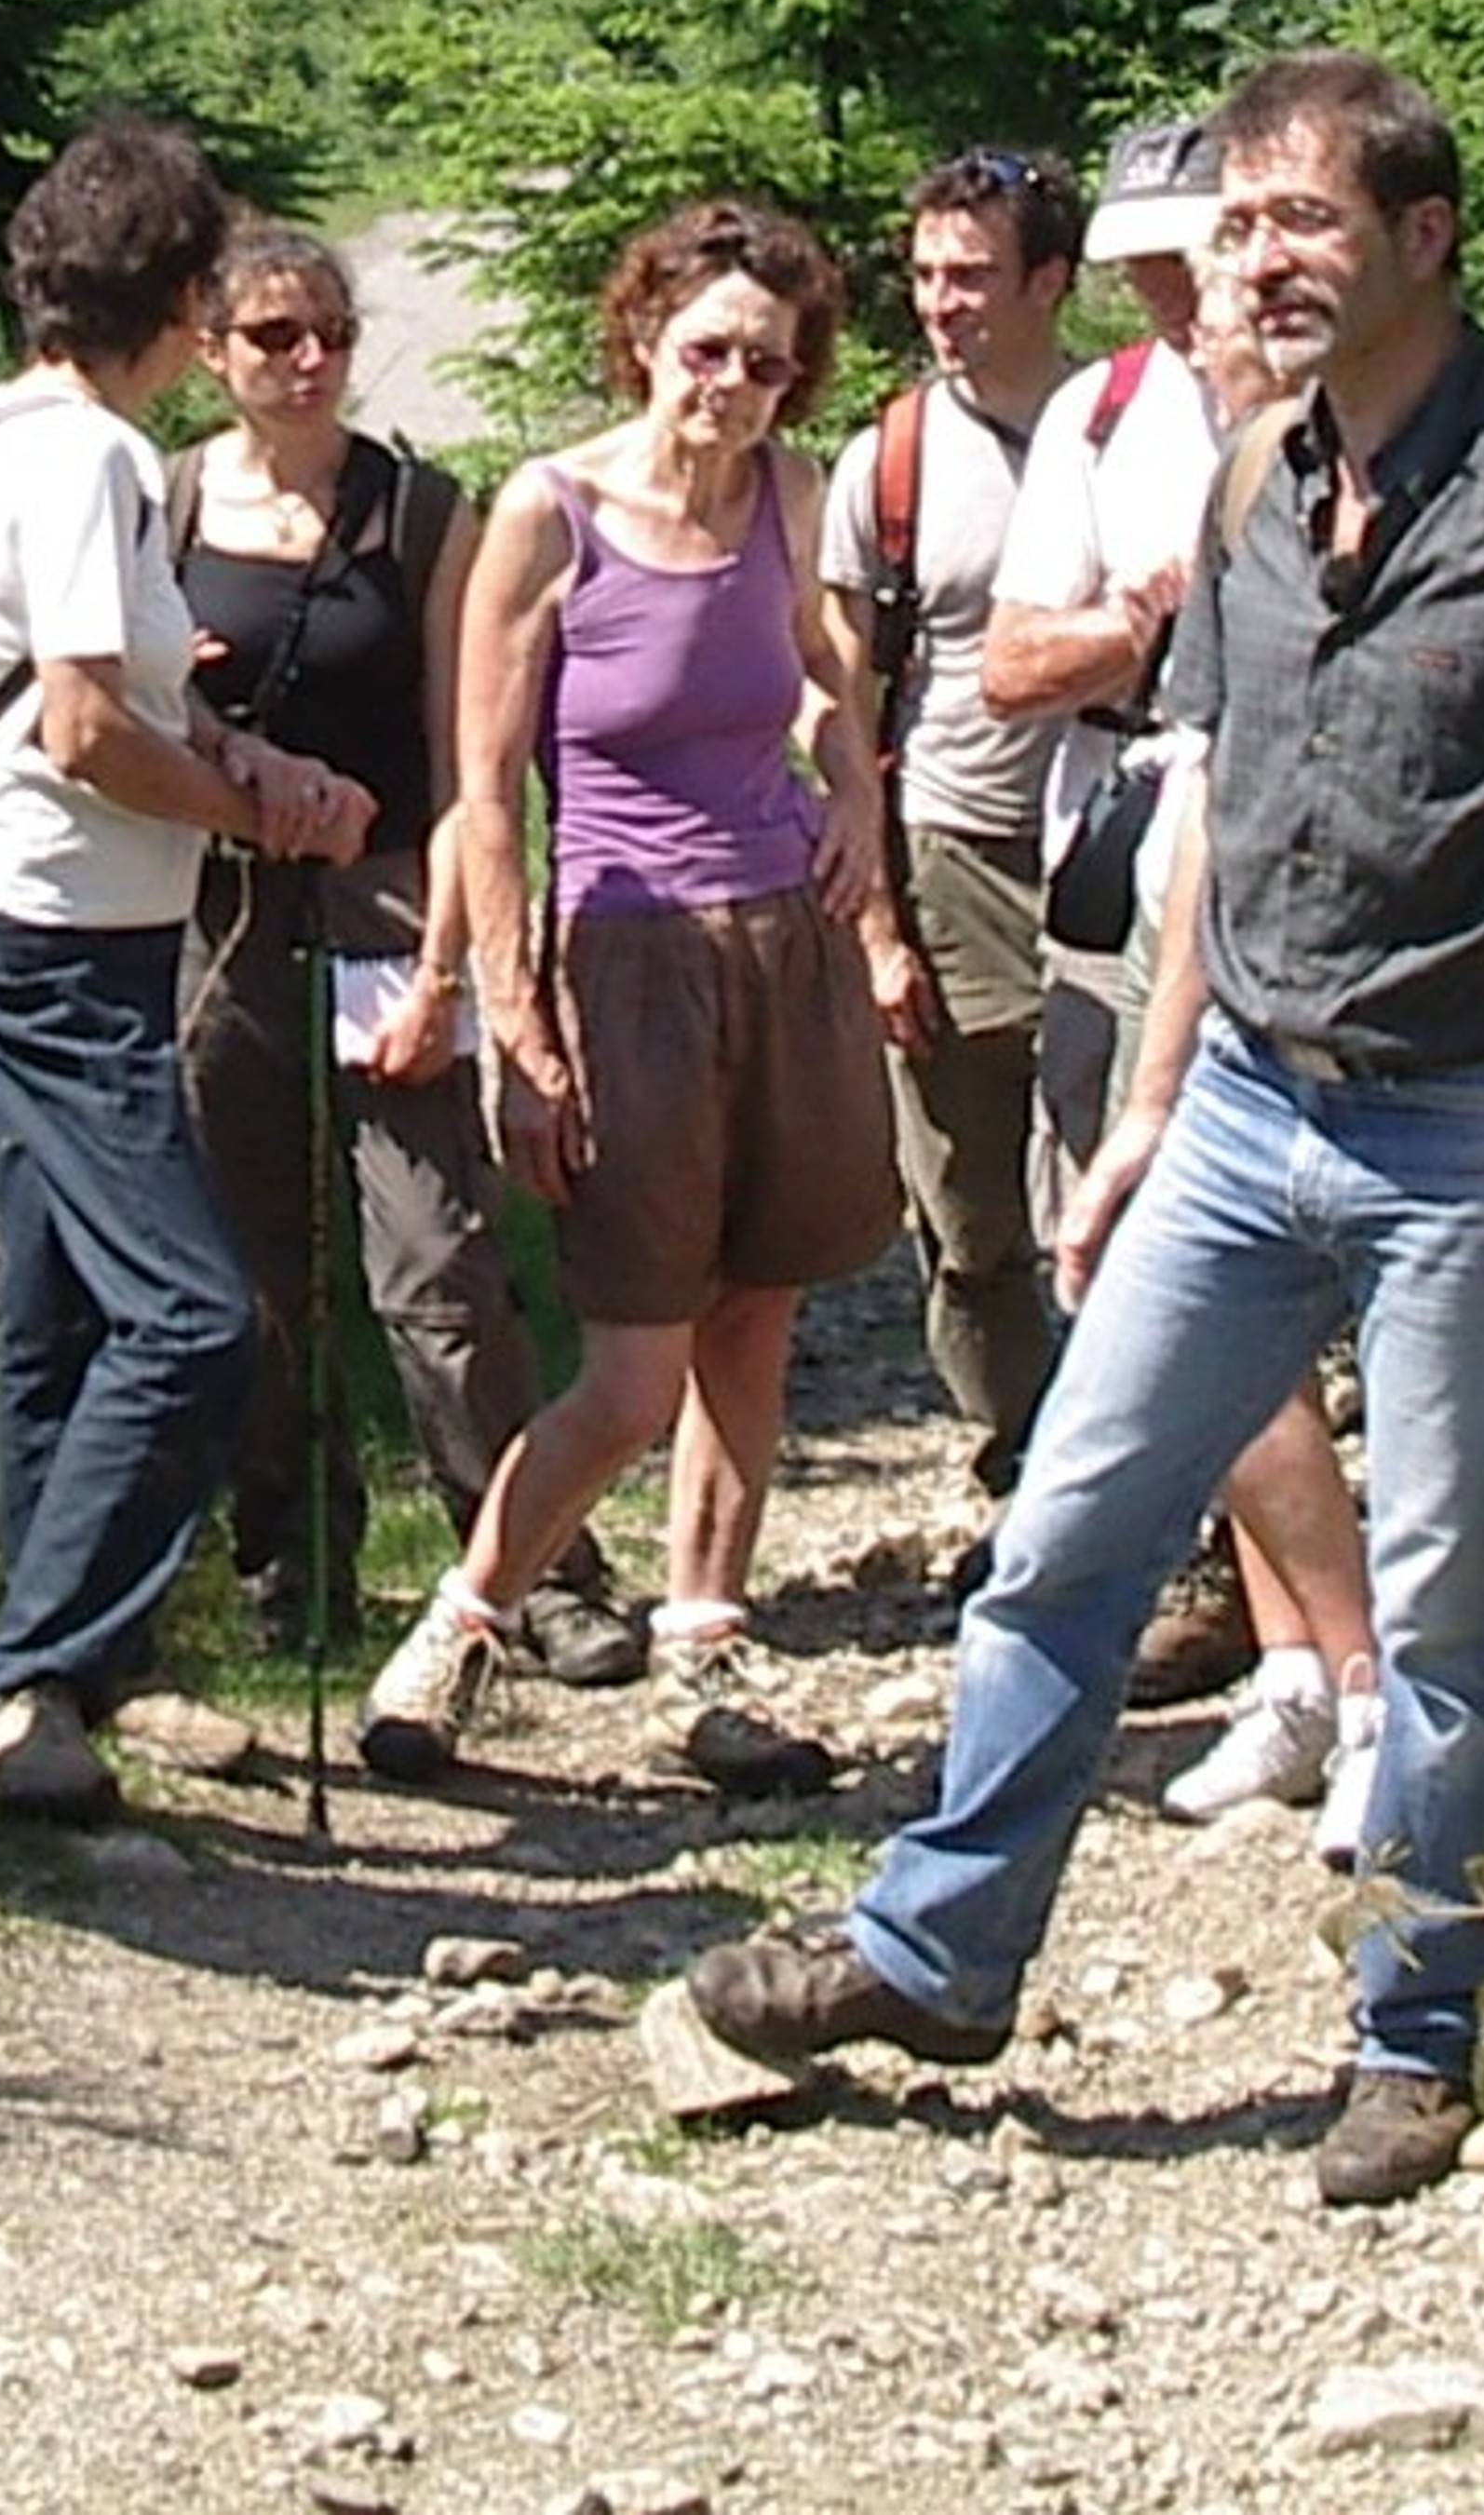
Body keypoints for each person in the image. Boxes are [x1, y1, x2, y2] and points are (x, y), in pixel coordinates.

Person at [673, 50, 1484, 2212]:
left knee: (1448, 1615)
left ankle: (1422, 2029)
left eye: (1299, 221)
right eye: (1235, 223)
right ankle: (935, 1950)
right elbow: (1218, 825)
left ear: (1423, 241)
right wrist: (1152, 1103)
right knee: (1064, 1539)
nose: (1254, 259)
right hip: (1247, 1095)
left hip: (1482, 1127)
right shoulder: (1252, 477)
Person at [360, 196, 908, 1787]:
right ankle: (465, 1625)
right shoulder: (553, 513)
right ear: (646, 341)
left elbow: (821, 669)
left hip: (781, 943)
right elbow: (481, 790)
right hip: (624, 952)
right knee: (632, 1367)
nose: (729, 387)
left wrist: (856, 791)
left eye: (764, 363)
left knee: (757, 1318)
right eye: (705, 352)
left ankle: (705, 1652)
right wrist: (507, 1017)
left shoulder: (790, 495)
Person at [0, 115, 376, 1821]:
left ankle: (83, 1680)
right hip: (52, 930)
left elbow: (117, 699)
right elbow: (90, 728)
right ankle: (27, 1680)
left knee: (60, 1312)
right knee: (188, 1315)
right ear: (184, 301)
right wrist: (267, 824)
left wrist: (253, 780)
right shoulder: (98, 461)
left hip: (32, 913)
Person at [973, 127, 1387, 1847]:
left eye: (1216, 264)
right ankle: (1311, 1671)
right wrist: (1137, 628)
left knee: (1262, 1296)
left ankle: (1365, 1678)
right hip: (1153, 888)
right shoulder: (1113, 422)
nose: (1201, 300)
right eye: (1183, 267)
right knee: (1173, 1278)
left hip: (1301, 915)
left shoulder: (1348, 440)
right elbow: (1016, 662)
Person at [169, 226, 647, 1687]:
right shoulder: (170, 501)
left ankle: (532, 1566)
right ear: (211, 352)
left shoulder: (421, 513)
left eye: (325, 332)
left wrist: (448, 965)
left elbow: (468, 766)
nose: (305, 362)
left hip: (386, 906)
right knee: (252, 1262)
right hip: (222, 914)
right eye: (269, 338)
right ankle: (290, 1561)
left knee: (436, 1260)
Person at [819, 145, 1084, 1508]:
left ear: (1050, 280)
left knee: (1119, 1193)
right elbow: (845, 702)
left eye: (972, 274)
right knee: (972, 1212)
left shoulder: (1127, 435)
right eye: (925, 275)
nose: (942, 302)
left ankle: (1161, 1479)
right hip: (952, 848)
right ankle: (1026, 1454)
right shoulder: (893, 459)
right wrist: (874, 925)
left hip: (1116, 853)